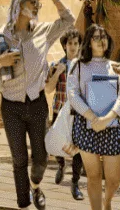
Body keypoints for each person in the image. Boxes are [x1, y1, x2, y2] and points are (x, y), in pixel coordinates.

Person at [0, 0, 75, 210]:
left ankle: (35, 186)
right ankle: (23, 205)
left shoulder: (44, 31)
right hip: (11, 107)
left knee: (41, 158)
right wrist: (0, 63)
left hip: (37, 104)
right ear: (18, 4)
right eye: (32, 2)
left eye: (38, 3)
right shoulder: (1, 35)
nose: (36, 6)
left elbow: (69, 19)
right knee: (19, 160)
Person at [67, 25, 120, 210]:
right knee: (94, 176)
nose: (101, 40)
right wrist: (92, 117)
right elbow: (72, 94)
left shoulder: (115, 67)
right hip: (87, 126)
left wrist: (107, 118)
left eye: (104, 36)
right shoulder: (77, 65)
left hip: (111, 126)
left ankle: (107, 202)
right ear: (88, 42)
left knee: (114, 180)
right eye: (96, 37)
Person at [49, 29, 86, 202]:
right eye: (69, 43)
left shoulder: (83, 66)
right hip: (58, 109)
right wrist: (57, 72)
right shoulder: (57, 65)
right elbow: (49, 88)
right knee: (59, 143)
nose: (72, 46)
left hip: (77, 114)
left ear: (79, 45)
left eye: (76, 43)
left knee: (78, 149)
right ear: (64, 46)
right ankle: (61, 164)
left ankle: (75, 183)